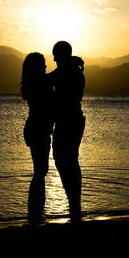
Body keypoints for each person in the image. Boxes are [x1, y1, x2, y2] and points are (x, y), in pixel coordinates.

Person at [47, 41, 85, 222]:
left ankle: (74, 205)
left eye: (55, 54)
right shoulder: (73, 69)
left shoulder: (66, 70)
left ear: (62, 54)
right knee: (68, 161)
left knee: (64, 161)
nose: (53, 58)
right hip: (73, 120)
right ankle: (74, 205)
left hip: (68, 121)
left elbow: (46, 80)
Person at [21, 52, 55, 223]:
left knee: (40, 172)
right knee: (40, 172)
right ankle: (35, 212)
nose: (46, 67)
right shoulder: (39, 84)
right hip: (37, 130)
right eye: (43, 64)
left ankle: (35, 211)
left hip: (35, 129)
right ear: (36, 67)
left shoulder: (34, 82)